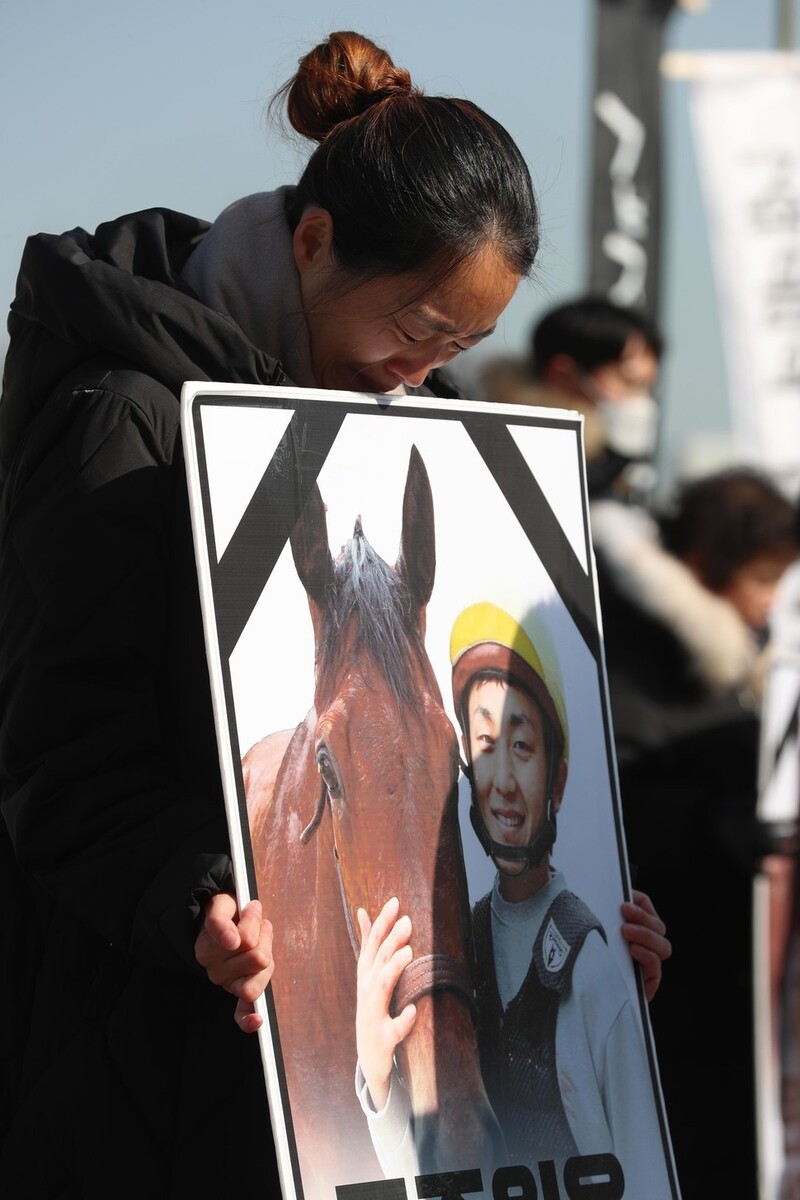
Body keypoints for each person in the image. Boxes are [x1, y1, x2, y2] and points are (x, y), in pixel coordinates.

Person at [0, 29, 543, 1200]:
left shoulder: (421, 436)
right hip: (146, 1059)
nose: (424, 368)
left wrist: (576, 899)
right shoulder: (123, 418)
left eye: (463, 344)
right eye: (413, 325)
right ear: (311, 243)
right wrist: (198, 896)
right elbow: (59, 764)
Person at [355, 602, 670, 1191]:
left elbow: (648, 1173)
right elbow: (432, 1181)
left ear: (558, 778)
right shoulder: (457, 958)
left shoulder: (596, 970)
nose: (500, 779)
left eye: (522, 748)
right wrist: (376, 1077)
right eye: (484, 744)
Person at [590, 466, 800, 1200]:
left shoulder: (727, 657)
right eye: (766, 578)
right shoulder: (631, 657)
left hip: (724, 986)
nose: (772, 601)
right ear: (708, 567)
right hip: (665, 992)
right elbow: (610, 810)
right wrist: (716, 826)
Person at [481, 294, 664, 502]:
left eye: (647, 385)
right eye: (628, 382)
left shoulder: (606, 470)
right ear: (563, 374)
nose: (642, 401)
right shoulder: (501, 453)